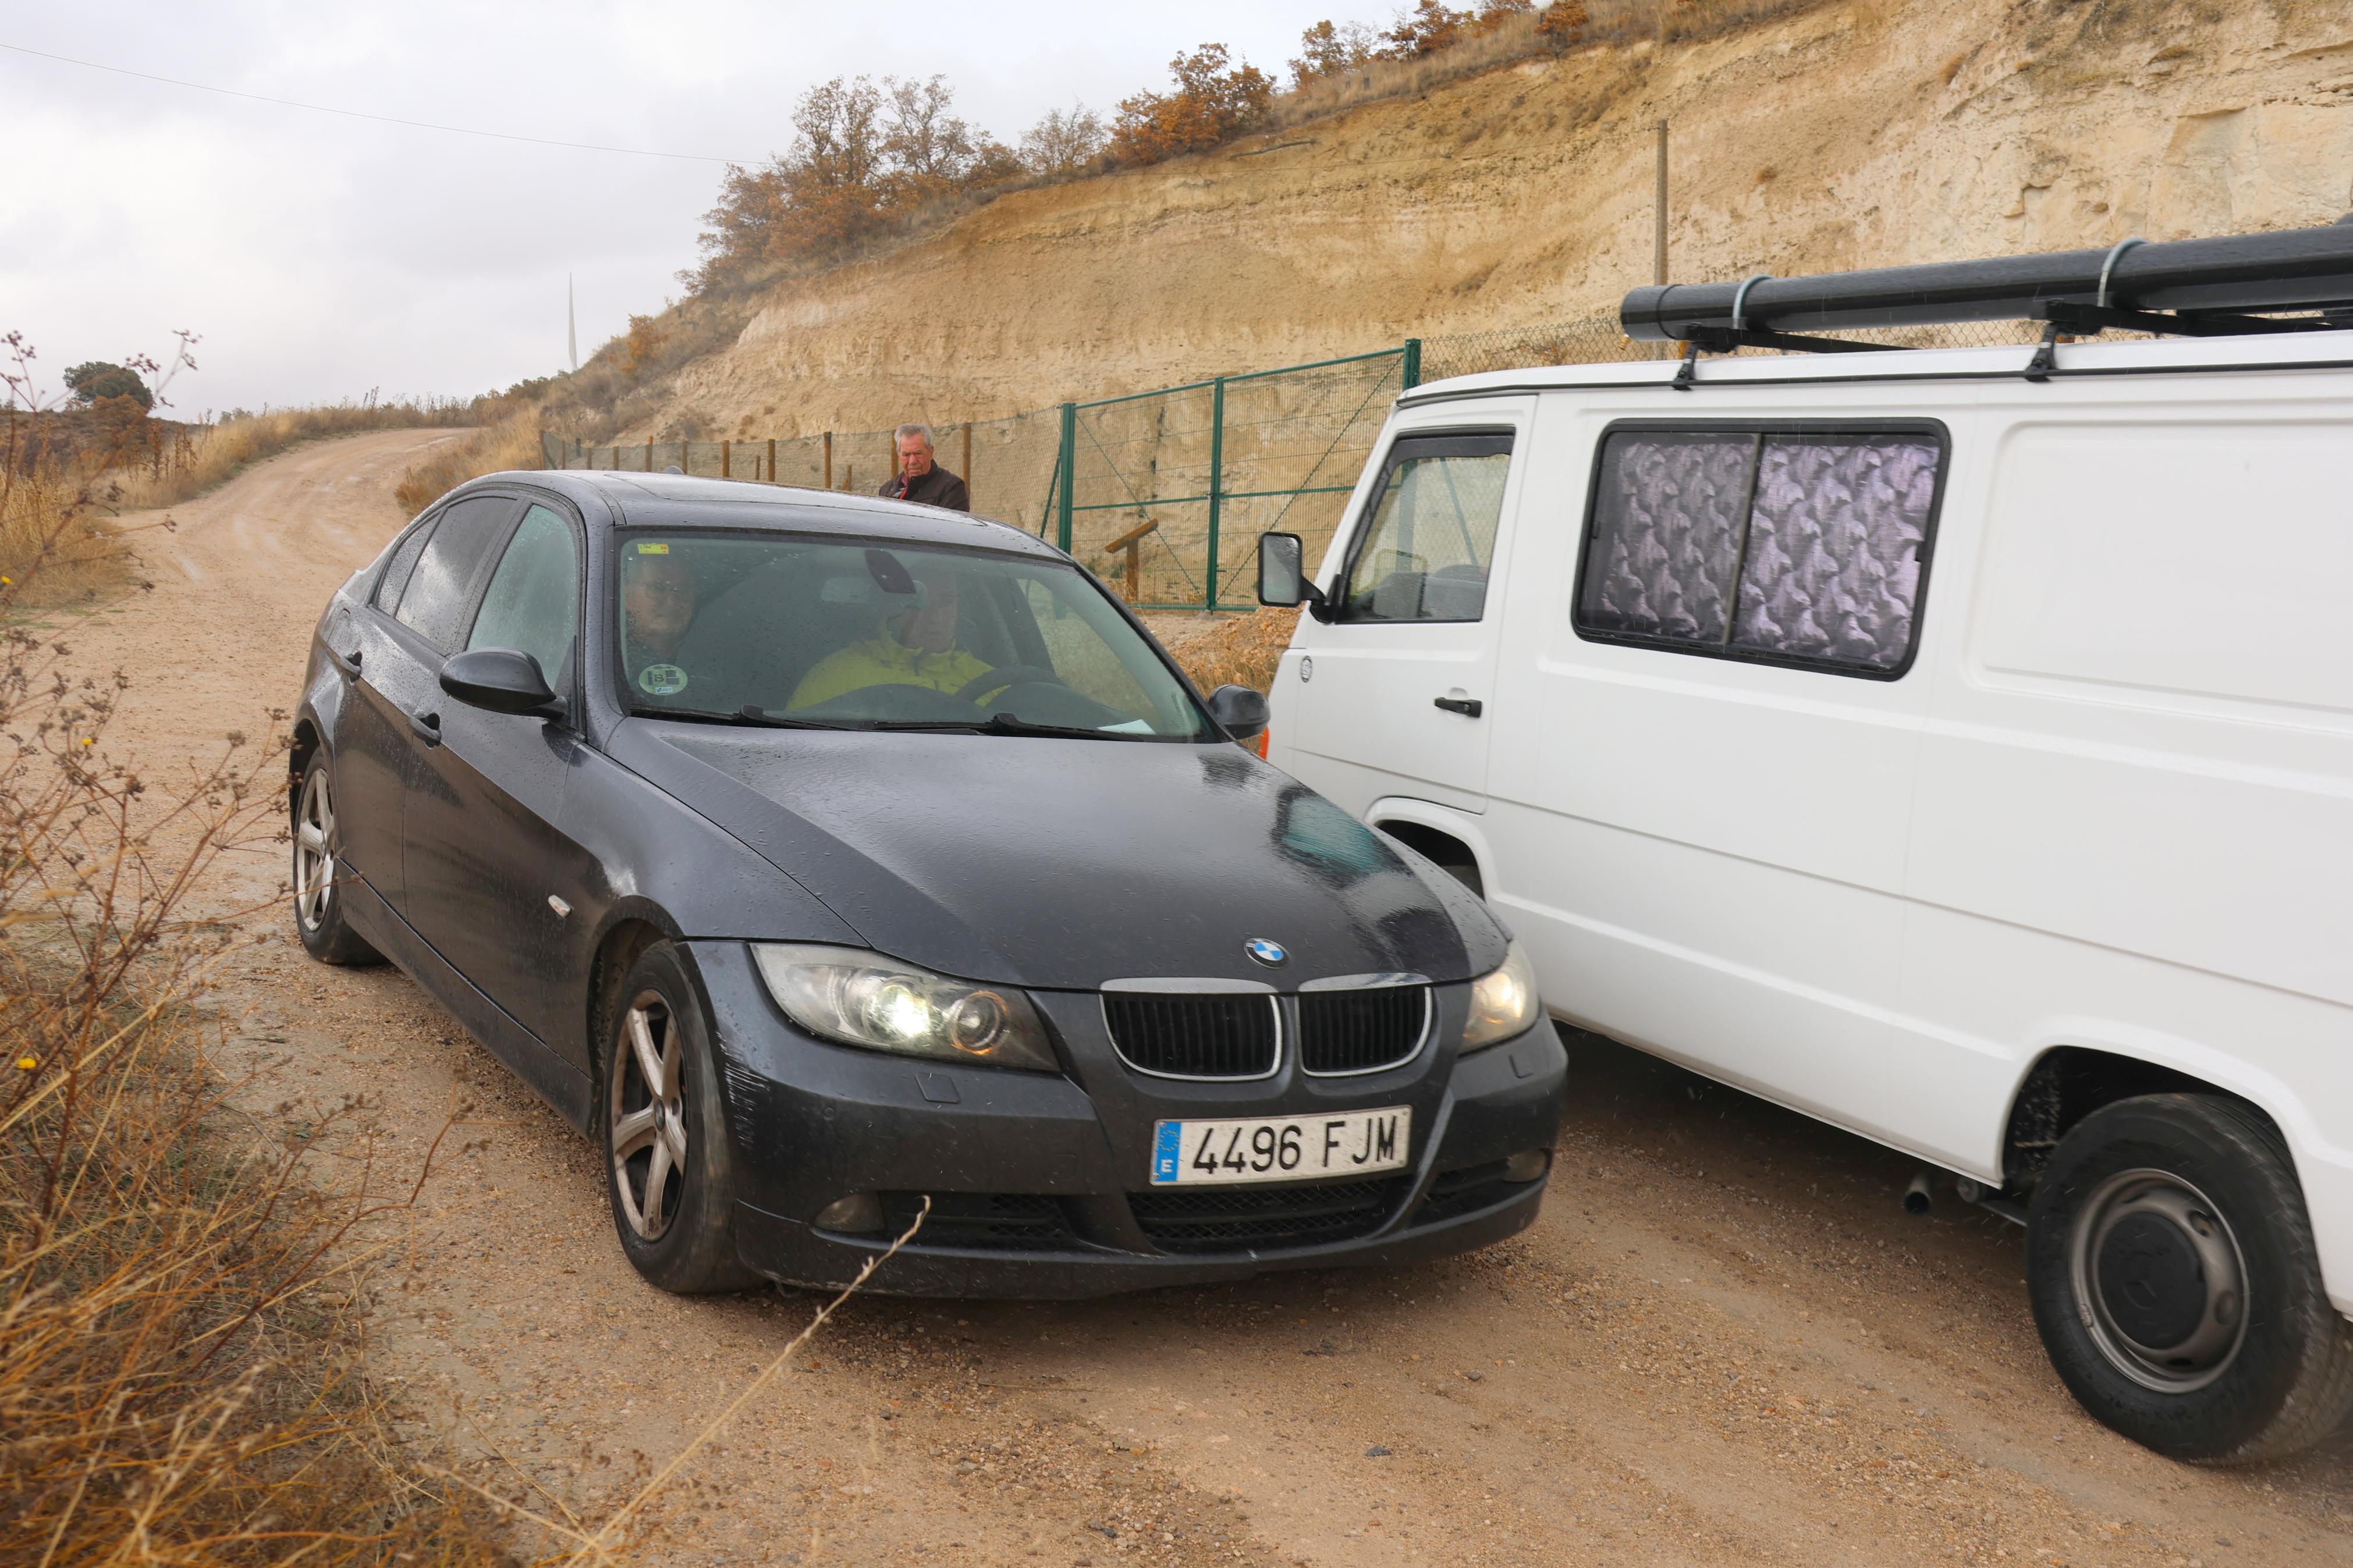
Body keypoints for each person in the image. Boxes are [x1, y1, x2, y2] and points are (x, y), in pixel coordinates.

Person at [788, 567, 1007, 711]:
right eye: (918, 600)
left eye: (947, 601)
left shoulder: (993, 683)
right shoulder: (837, 674)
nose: (935, 616)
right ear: (891, 607)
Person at [619, 545, 698, 700]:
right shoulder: (604, 660)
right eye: (659, 588)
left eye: (683, 590)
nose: (672, 601)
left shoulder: (715, 657)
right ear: (627, 594)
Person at [878, 424, 970, 511]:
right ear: (899, 456)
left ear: (931, 452)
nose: (912, 461)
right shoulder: (886, 490)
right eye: (906, 455)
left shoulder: (951, 487)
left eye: (918, 453)